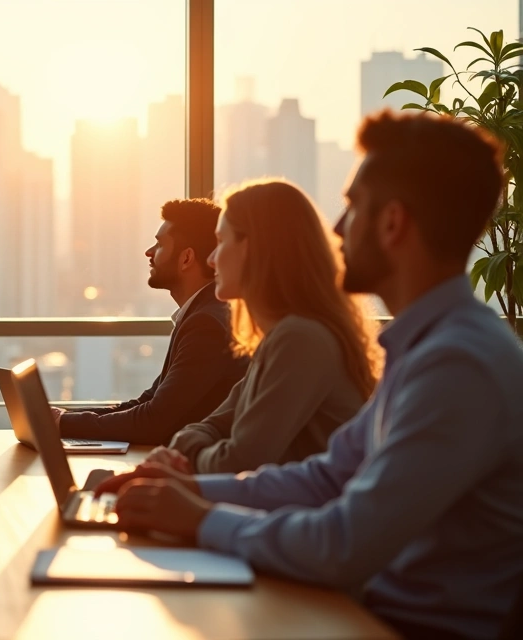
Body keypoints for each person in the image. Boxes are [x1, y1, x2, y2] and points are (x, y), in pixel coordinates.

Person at [96, 111, 523, 640]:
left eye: (352, 207)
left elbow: (344, 544)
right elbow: (326, 476)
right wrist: (187, 490)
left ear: (392, 223)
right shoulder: (427, 347)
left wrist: (200, 517)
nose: (337, 230)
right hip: (363, 609)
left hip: (397, 625)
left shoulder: (458, 365)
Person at [142, 181, 379, 474]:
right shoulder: (279, 338)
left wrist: (185, 456)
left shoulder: (300, 339)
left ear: (254, 250)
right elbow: (211, 426)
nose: (211, 260)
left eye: (221, 242)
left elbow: (240, 461)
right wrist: (188, 447)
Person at [52, 199, 248, 445]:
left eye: (160, 244)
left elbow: (153, 421)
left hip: (199, 462)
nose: (149, 252)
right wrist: (64, 417)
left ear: (186, 258)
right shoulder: (202, 313)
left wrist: (63, 423)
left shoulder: (206, 324)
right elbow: (147, 403)